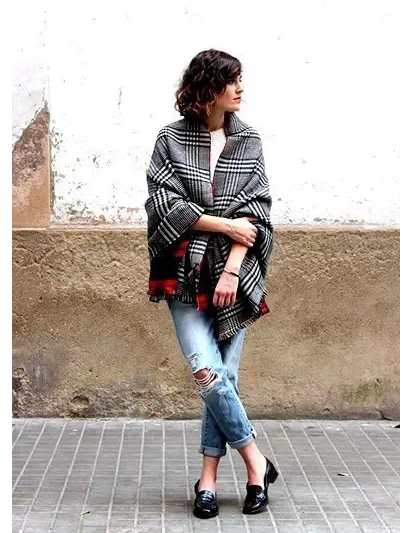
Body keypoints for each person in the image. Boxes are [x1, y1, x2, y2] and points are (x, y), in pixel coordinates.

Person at [144, 49, 278, 518]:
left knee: (225, 379)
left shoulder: (248, 140)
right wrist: (224, 225)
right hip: (183, 275)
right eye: (231, 80)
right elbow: (163, 205)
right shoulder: (171, 139)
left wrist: (232, 270)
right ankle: (256, 462)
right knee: (208, 373)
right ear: (207, 88)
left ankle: (208, 480)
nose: (240, 88)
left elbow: (256, 213)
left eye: (240, 79)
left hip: (234, 276)